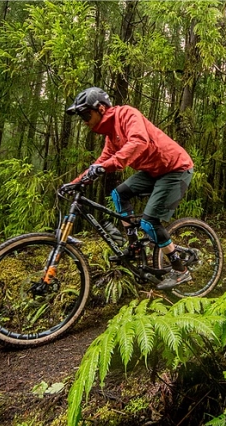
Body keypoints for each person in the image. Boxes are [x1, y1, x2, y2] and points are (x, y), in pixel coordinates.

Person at [64, 87, 195, 290]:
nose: (84, 120)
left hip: (176, 168)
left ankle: (180, 270)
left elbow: (138, 141)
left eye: (86, 114)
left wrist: (106, 166)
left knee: (149, 222)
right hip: (154, 171)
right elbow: (102, 161)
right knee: (119, 194)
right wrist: (76, 183)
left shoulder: (126, 114)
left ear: (100, 108)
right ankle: (134, 246)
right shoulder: (111, 135)